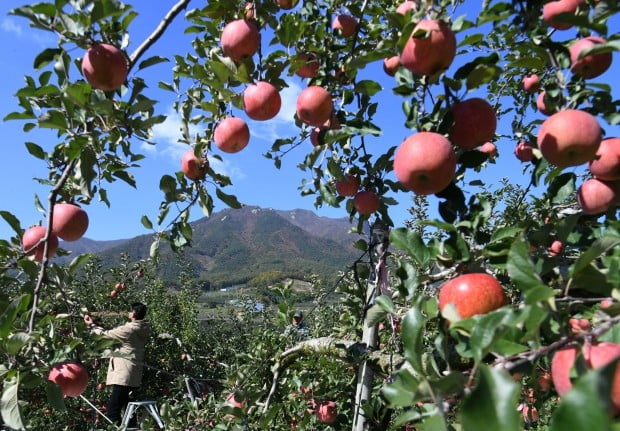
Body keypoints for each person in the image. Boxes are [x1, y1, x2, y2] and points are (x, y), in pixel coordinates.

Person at [84, 302, 150, 426]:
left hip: (123, 374)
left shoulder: (128, 330)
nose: (128, 313)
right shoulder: (143, 328)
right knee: (129, 411)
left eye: (130, 311)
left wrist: (92, 325)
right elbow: (118, 334)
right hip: (134, 374)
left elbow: (105, 335)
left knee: (112, 412)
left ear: (133, 314)